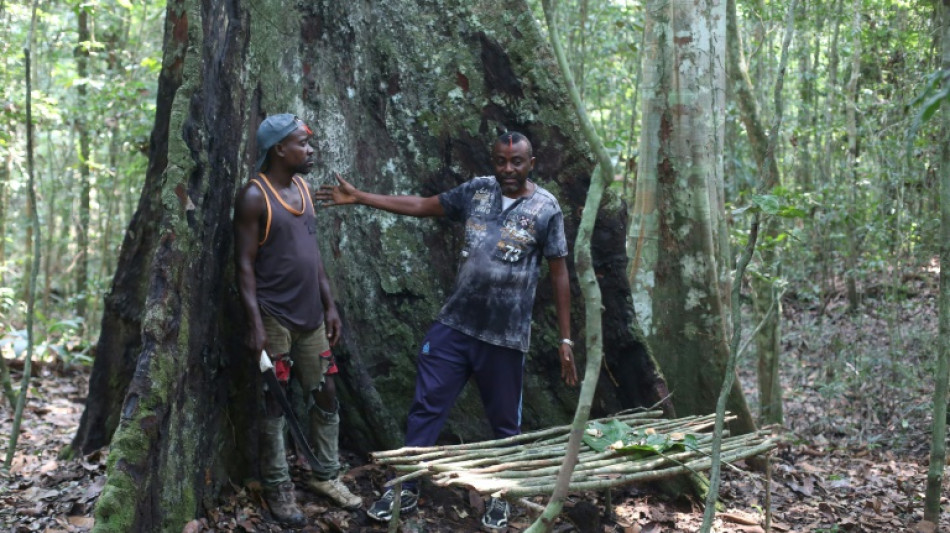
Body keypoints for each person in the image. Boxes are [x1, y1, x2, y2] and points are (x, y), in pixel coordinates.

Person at [315, 131, 578, 530]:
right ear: (493, 161)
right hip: (454, 327)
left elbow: (560, 274)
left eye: (517, 162)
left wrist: (565, 338)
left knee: (505, 426)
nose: (508, 169)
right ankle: (404, 487)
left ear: (531, 163)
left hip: (504, 338)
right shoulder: (477, 191)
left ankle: (500, 496)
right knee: (425, 409)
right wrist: (361, 197)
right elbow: (423, 205)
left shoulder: (546, 208)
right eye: (501, 161)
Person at [234, 113, 362, 526]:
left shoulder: (304, 188)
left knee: (325, 388)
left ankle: (326, 474)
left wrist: (330, 305)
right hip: (274, 316)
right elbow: (244, 266)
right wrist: (254, 323)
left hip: (310, 315)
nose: (310, 151)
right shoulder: (255, 196)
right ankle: (278, 484)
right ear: (279, 150)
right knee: (276, 396)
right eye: (302, 144)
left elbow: (313, 255)